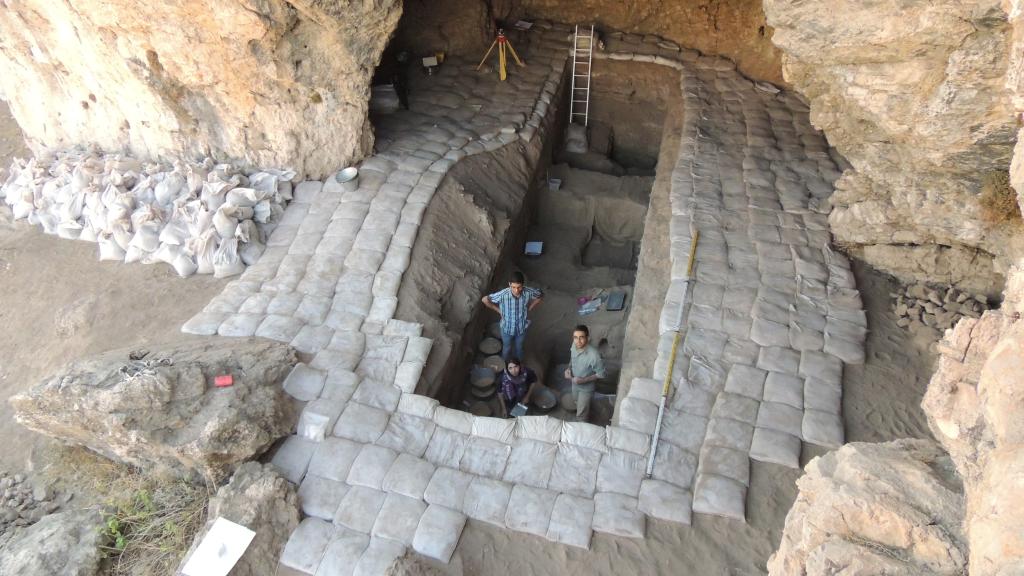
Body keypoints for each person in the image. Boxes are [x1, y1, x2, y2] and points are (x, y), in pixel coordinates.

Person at [481, 271, 543, 361]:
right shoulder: (503, 294)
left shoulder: (528, 292)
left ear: (523, 285)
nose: (516, 290)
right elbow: (484, 300)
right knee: (506, 348)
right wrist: (499, 310)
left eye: (519, 287)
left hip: (521, 328)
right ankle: (505, 367)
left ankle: (519, 365)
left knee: (519, 348)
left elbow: (540, 295)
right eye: (513, 287)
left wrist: (530, 307)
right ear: (509, 284)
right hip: (506, 328)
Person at [564, 324, 605, 423]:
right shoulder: (574, 345)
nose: (578, 341)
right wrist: (568, 368)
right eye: (575, 338)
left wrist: (583, 380)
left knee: (581, 416)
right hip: (574, 384)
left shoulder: (594, 356)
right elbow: (572, 359)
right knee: (576, 401)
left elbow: (601, 374)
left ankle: (582, 425)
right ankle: (585, 408)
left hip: (586, 389)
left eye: (581, 338)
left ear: (588, 338)